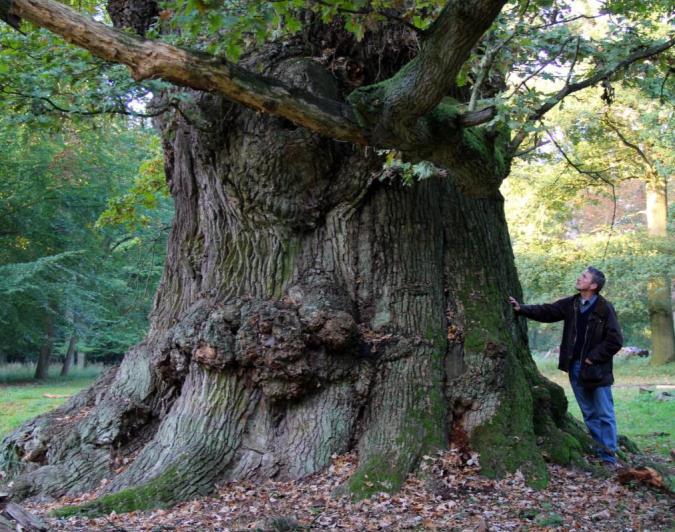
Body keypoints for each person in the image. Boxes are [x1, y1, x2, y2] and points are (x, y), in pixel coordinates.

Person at [508, 266, 623, 467]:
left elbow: (615, 341)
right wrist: (522, 309)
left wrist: (592, 358)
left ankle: (609, 457)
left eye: (584, 277)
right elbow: (548, 311)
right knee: (589, 413)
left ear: (593, 285)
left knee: (604, 413)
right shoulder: (572, 304)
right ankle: (600, 449)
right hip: (575, 368)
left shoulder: (604, 308)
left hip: (597, 370)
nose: (579, 278)